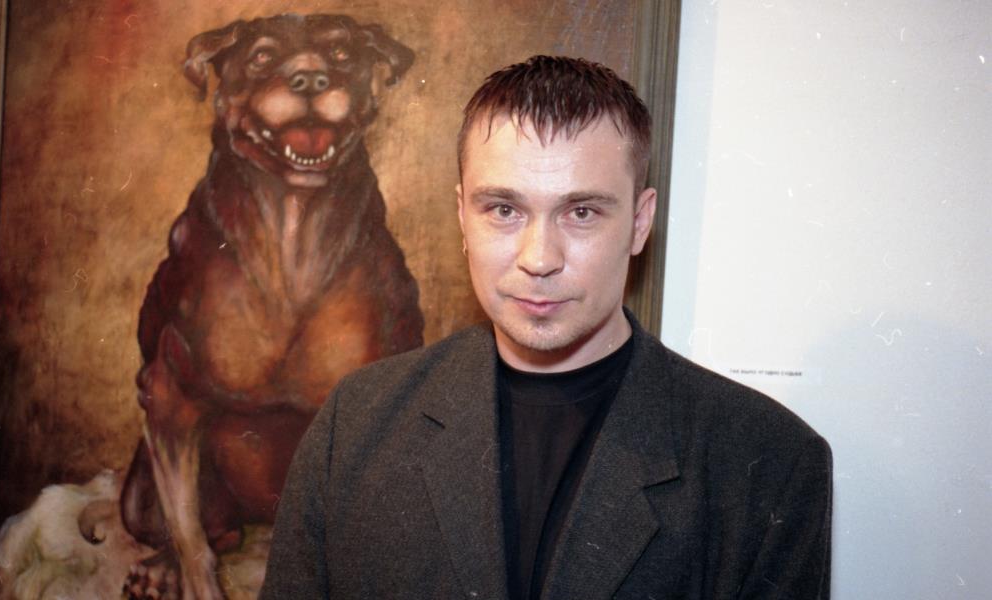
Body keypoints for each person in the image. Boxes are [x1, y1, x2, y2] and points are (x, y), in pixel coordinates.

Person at [260, 55, 832, 600]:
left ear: (639, 223)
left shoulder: (767, 461)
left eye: (581, 212)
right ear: (462, 217)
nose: (539, 258)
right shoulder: (356, 424)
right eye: (504, 210)